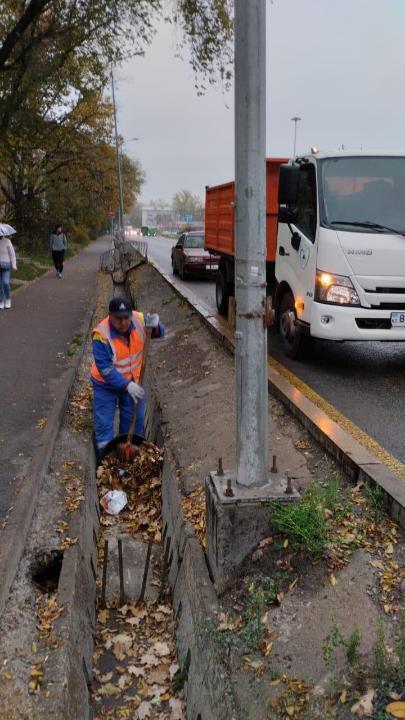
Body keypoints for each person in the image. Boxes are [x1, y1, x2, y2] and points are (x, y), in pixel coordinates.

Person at [91, 296, 164, 463]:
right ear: (110, 315)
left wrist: (157, 326)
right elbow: (106, 370)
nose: (123, 322)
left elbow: (160, 332)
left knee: (134, 422)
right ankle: (104, 465)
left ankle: (128, 462)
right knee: (104, 427)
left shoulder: (139, 320)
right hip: (105, 386)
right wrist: (126, 385)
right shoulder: (101, 336)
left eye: (126, 317)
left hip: (133, 381)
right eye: (118, 318)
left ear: (131, 314)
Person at [0, 233, 17, 309]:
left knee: (5, 283)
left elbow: (12, 254)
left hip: (6, 266)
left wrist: (14, 264)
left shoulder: (7, 241)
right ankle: (1, 301)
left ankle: (8, 299)